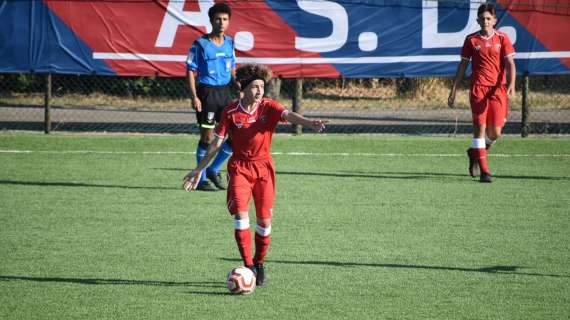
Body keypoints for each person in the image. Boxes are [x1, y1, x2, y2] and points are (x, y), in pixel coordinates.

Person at [182, 64, 328, 286]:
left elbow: (288, 114)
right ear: (243, 88)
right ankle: (248, 264)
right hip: (240, 168)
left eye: (262, 86)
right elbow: (216, 143)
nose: (260, 91)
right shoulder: (231, 111)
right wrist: (199, 169)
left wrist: (310, 123)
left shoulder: (268, 107)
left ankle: (259, 263)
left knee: (264, 221)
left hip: (264, 169)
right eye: (255, 87)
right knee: (241, 217)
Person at [448, 3, 516, 183]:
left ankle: (475, 152)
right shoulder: (471, 40)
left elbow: (510, 63)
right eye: (482, 18)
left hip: (498, 89)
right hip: (478, 88)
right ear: (477, 20)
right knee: (480, 129)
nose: (485, 21)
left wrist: (511, 84)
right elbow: (463, 65)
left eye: (488, 18)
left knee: (495, 133)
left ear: (494, 20)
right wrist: (454, 89)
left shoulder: (502, 38)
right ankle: (485, 172)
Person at [186, 2, 236, 191]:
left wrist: (238, 84)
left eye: (225, 19)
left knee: (234, 136)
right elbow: (190, 70)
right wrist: (194, 96)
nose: (221, 22)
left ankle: (214, 169)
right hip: (206, 94)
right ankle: (201, 179)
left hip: (225, 93)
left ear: (228, 22)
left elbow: (232, 67)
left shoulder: (230, 42)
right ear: (211, 21)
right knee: (207, 138)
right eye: (218, 19)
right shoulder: (200, 44)